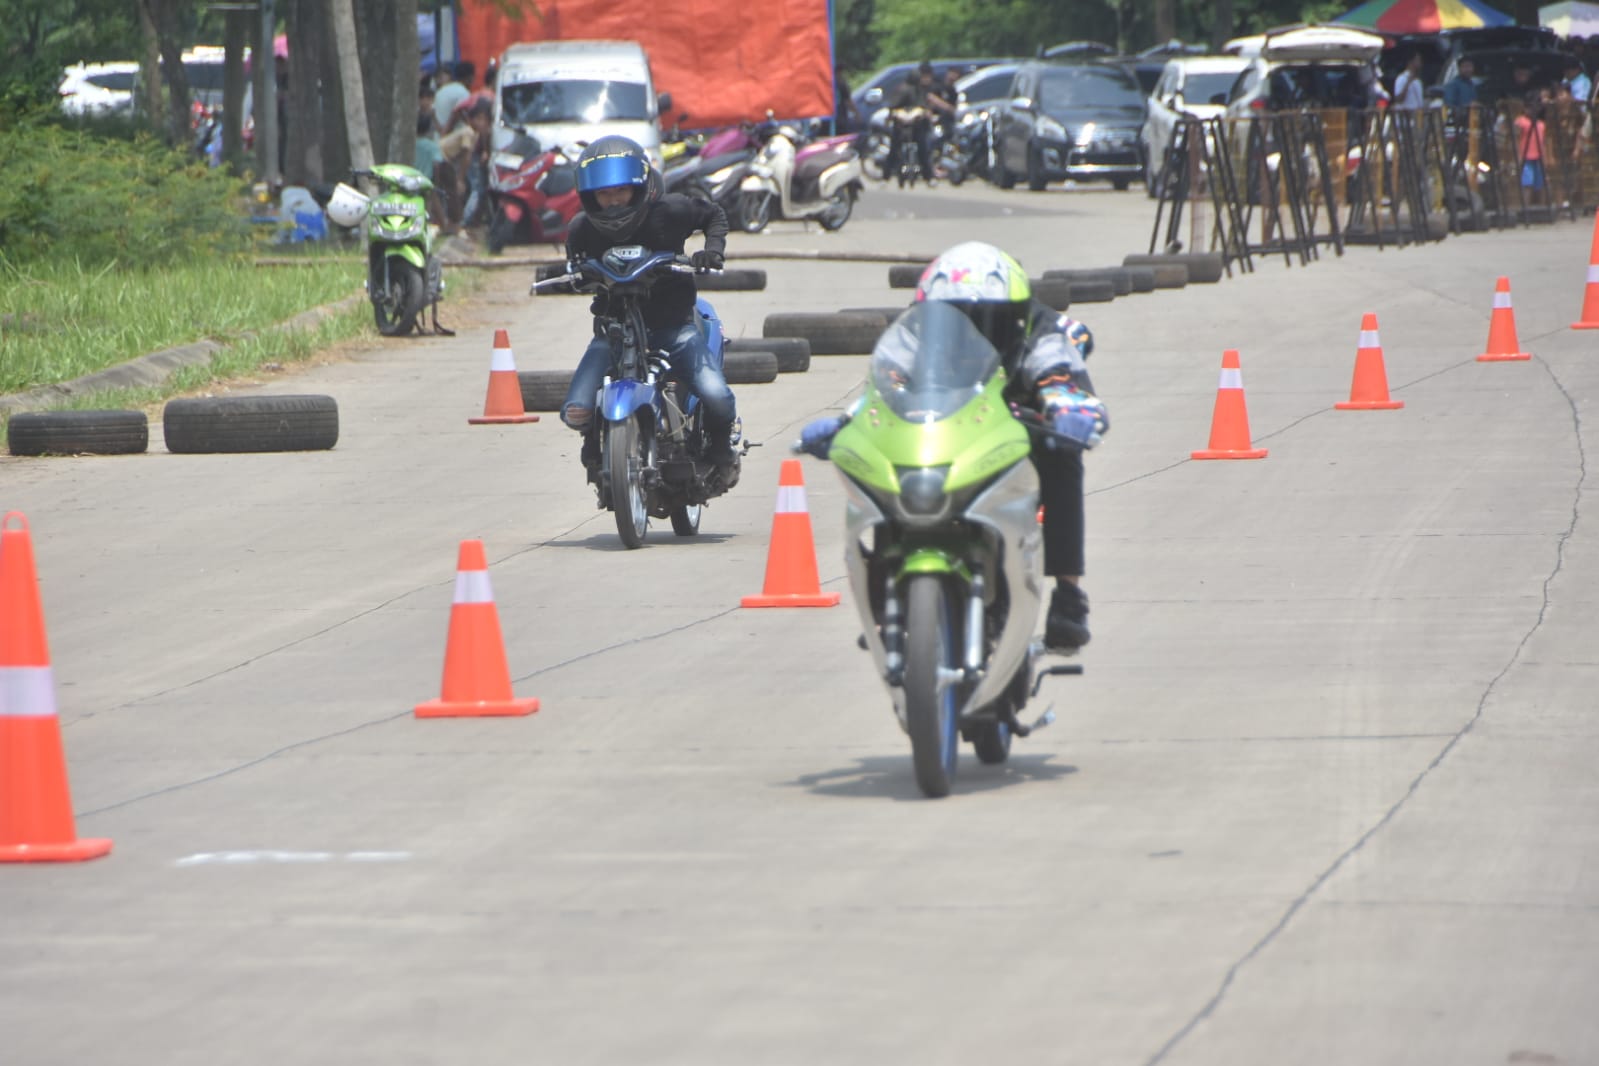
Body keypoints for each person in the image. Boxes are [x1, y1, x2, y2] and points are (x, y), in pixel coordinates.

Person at [798, 242, 1108, 651]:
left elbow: (1061, 377)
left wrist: (1069, 409)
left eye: (985, 319)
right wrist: (847, 422)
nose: (970, 329)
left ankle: (1069, 596)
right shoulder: (919, 335)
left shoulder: (1043, 331)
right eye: (956, 317)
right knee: (878, 471)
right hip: (942, 430)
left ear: (1014, 316)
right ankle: (888, 596)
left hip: (1014, 429)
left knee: (1063, 454)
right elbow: (886, 386)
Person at [560, 135, 739, 480]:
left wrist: (712, 250)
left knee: (717, 396)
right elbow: (575, 267)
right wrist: (572, 276)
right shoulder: (581, 229)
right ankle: (593, 443)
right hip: (613, 332)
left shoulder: (670, 212)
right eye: (604, 194)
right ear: (590, 196)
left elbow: (714, 214)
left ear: (639, 186)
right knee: (577, 409)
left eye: (621, 191)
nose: (613, 202)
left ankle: (721, 448)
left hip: (675, 329)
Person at [887, 62, 939, 184]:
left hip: (916, 125)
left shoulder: (920, 90)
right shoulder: (901, 89)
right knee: (894, 150)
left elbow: (923, 106)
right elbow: (893, 106)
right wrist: (895, 115)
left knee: (923, 150)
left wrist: (925, 113)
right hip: (900, 125)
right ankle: (886, 176)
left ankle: (929, 177)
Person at [434, 61, 473, 132]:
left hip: (437, 133)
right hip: (450, 136)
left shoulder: (443, 89)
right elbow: (462, 114)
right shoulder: (463, 92)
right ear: (470, 78)